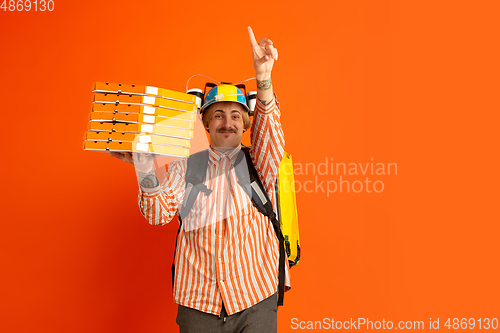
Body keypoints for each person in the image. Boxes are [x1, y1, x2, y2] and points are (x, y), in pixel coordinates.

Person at [111, 26, 289, 332]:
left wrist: (263, 78)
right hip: (198, 301)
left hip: (255, 296)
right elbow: (158, 214)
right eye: (218, 114)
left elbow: (269, 133)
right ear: (206, 122)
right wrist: (144, 169)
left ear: (245, 124)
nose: (227, 122)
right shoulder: (186, 166)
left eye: (235, 115)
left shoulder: (259, 162)